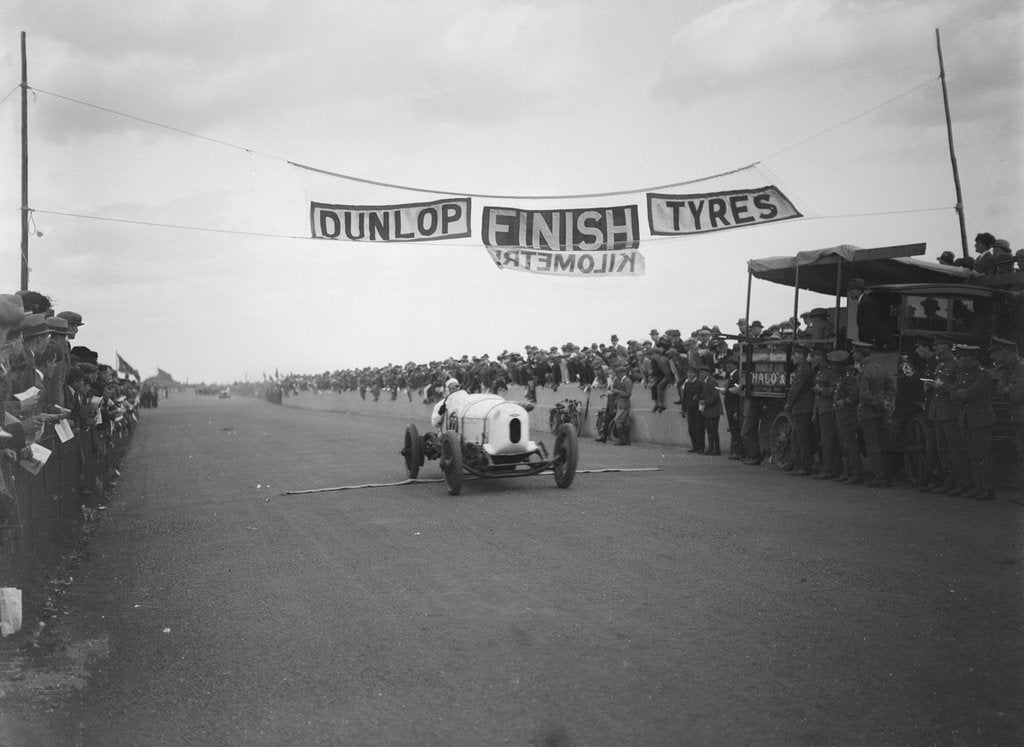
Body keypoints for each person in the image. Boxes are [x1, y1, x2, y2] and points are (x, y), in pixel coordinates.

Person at [951, 344, 997, 500]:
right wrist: (959, 393)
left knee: (982, 455)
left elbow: (971, 393)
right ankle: (979, 487)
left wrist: (958, 393)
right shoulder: (964, 373)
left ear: (969, 357)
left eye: (960, 357)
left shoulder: (982, 374)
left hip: (980, 418)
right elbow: (957, 390)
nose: (958, 360)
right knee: (973, 456)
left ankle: (987, 489)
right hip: (968, 418)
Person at [930, 336, 971, 496]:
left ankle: (962, 483)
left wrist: (942, 386)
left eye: (939, 345)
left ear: (947, 346)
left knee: (955, 450)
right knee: (943, 450)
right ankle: (950, 481)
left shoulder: (954, 364)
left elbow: (959, 387)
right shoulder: (941, 363)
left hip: (950, 412)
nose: (935, 347)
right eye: (935, 345)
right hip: (939, 412)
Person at [851, 341, 895, 487]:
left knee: (872, 446)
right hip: (881, 413)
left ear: (859, 354)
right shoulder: (881, 368)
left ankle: (880, 477)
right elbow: (891, 388)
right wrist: (886, 402)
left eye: (855, 352)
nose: (853, 354)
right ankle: (887, 475)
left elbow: (864, 395)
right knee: (882, 444)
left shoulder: (864, 372)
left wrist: (879, 403)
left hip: (868, 412)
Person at [991, 336, 1024, 492]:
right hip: (1018, 416)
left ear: (1006, 353)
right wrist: (1007, 387)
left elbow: (1016, 394)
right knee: (1020, 452)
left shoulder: (1021, 367)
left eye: (996, 353)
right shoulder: (1007, 369)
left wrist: (1007, 389)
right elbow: (1000, 391)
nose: (993, 357)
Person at [831, 351, 863, 484]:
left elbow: (855, 393)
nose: (832, 367)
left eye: (834, 365)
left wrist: (845, 401)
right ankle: (847, 472)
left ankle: (855, 474)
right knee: (844, 445)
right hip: (842, 415)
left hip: (847, 415)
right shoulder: (843, 376)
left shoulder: (847, 377)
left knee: (850, 445)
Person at [784, 344, 816, 475]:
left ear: (802, 356)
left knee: (801, 438)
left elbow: (795, 389)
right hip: (802, 408)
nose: (792, 358)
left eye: (794, 355)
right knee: (798, 437)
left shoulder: (804, 370)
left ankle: (803, 466)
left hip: (801, 408)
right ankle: (800, 465)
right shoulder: (804, 369)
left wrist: (788, 404)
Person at [811, 347, 841, 480]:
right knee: (825, 440)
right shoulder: (819, 372)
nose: (812, 359)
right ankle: (829, 468)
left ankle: (828, 469)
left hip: (828, 410)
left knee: (828, 441)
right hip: (821, 410)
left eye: (815, 356)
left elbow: (836, 390)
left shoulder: (829, 372)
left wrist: (822, 390)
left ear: (821, 358)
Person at [721, 356, 745, 460]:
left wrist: (725, 391)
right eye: (727, 364)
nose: (727, 366)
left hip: (733, 407)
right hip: (732, 407)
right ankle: (737, 451)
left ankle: (739, 452)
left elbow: (736, 390)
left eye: (730, 364)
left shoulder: (735, 376)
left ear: (735, 365)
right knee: (734, 429)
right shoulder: (732, 376)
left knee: (735, 429)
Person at [698, 364, 723, 455]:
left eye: (703, 372)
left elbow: (715, 396)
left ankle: (716, 449)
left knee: (713, 430)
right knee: (709, 429)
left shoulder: (712, 382)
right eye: (700, 373)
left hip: (714, 410)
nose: (701, 374)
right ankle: (711, 448)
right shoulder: (704, 382)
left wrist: (705, 401)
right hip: (708, 410)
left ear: (708, 373)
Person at [681, 367, 705, 454]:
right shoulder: (687, 384)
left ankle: (701, 447)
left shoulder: (700, 383)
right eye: (688, 373)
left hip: (698, 409)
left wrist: (702, 408)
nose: (689, 375)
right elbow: (684, 397)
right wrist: (683, 409)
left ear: (695, 374)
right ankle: (695, 446)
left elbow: (703, 395)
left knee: (699, 428)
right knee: (691, 428)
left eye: (691, 373)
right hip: (690, 408)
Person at [611, 365, 633, 445]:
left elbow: (628, 393)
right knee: (626, 421)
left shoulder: (627, 381)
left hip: (623, 403)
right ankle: (627, 440)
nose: (617, 375)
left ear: (623, 373)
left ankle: (621, 440)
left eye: (619, 373)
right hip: (621, 402)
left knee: (617, 420)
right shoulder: (621, 380)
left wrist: (617, 391)